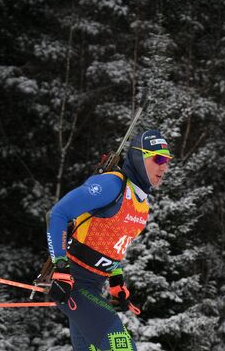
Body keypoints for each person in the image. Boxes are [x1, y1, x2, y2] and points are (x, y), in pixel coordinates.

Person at [46, 129, 172, 351]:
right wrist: (60, 267)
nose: (164, 166)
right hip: (74, 283)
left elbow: (113, 244)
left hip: (93, 285)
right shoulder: (111, 186)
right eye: (158, 158)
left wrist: (116, 279)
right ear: (138, 157)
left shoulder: (141, 204)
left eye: (168, 161)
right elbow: (58, 214)